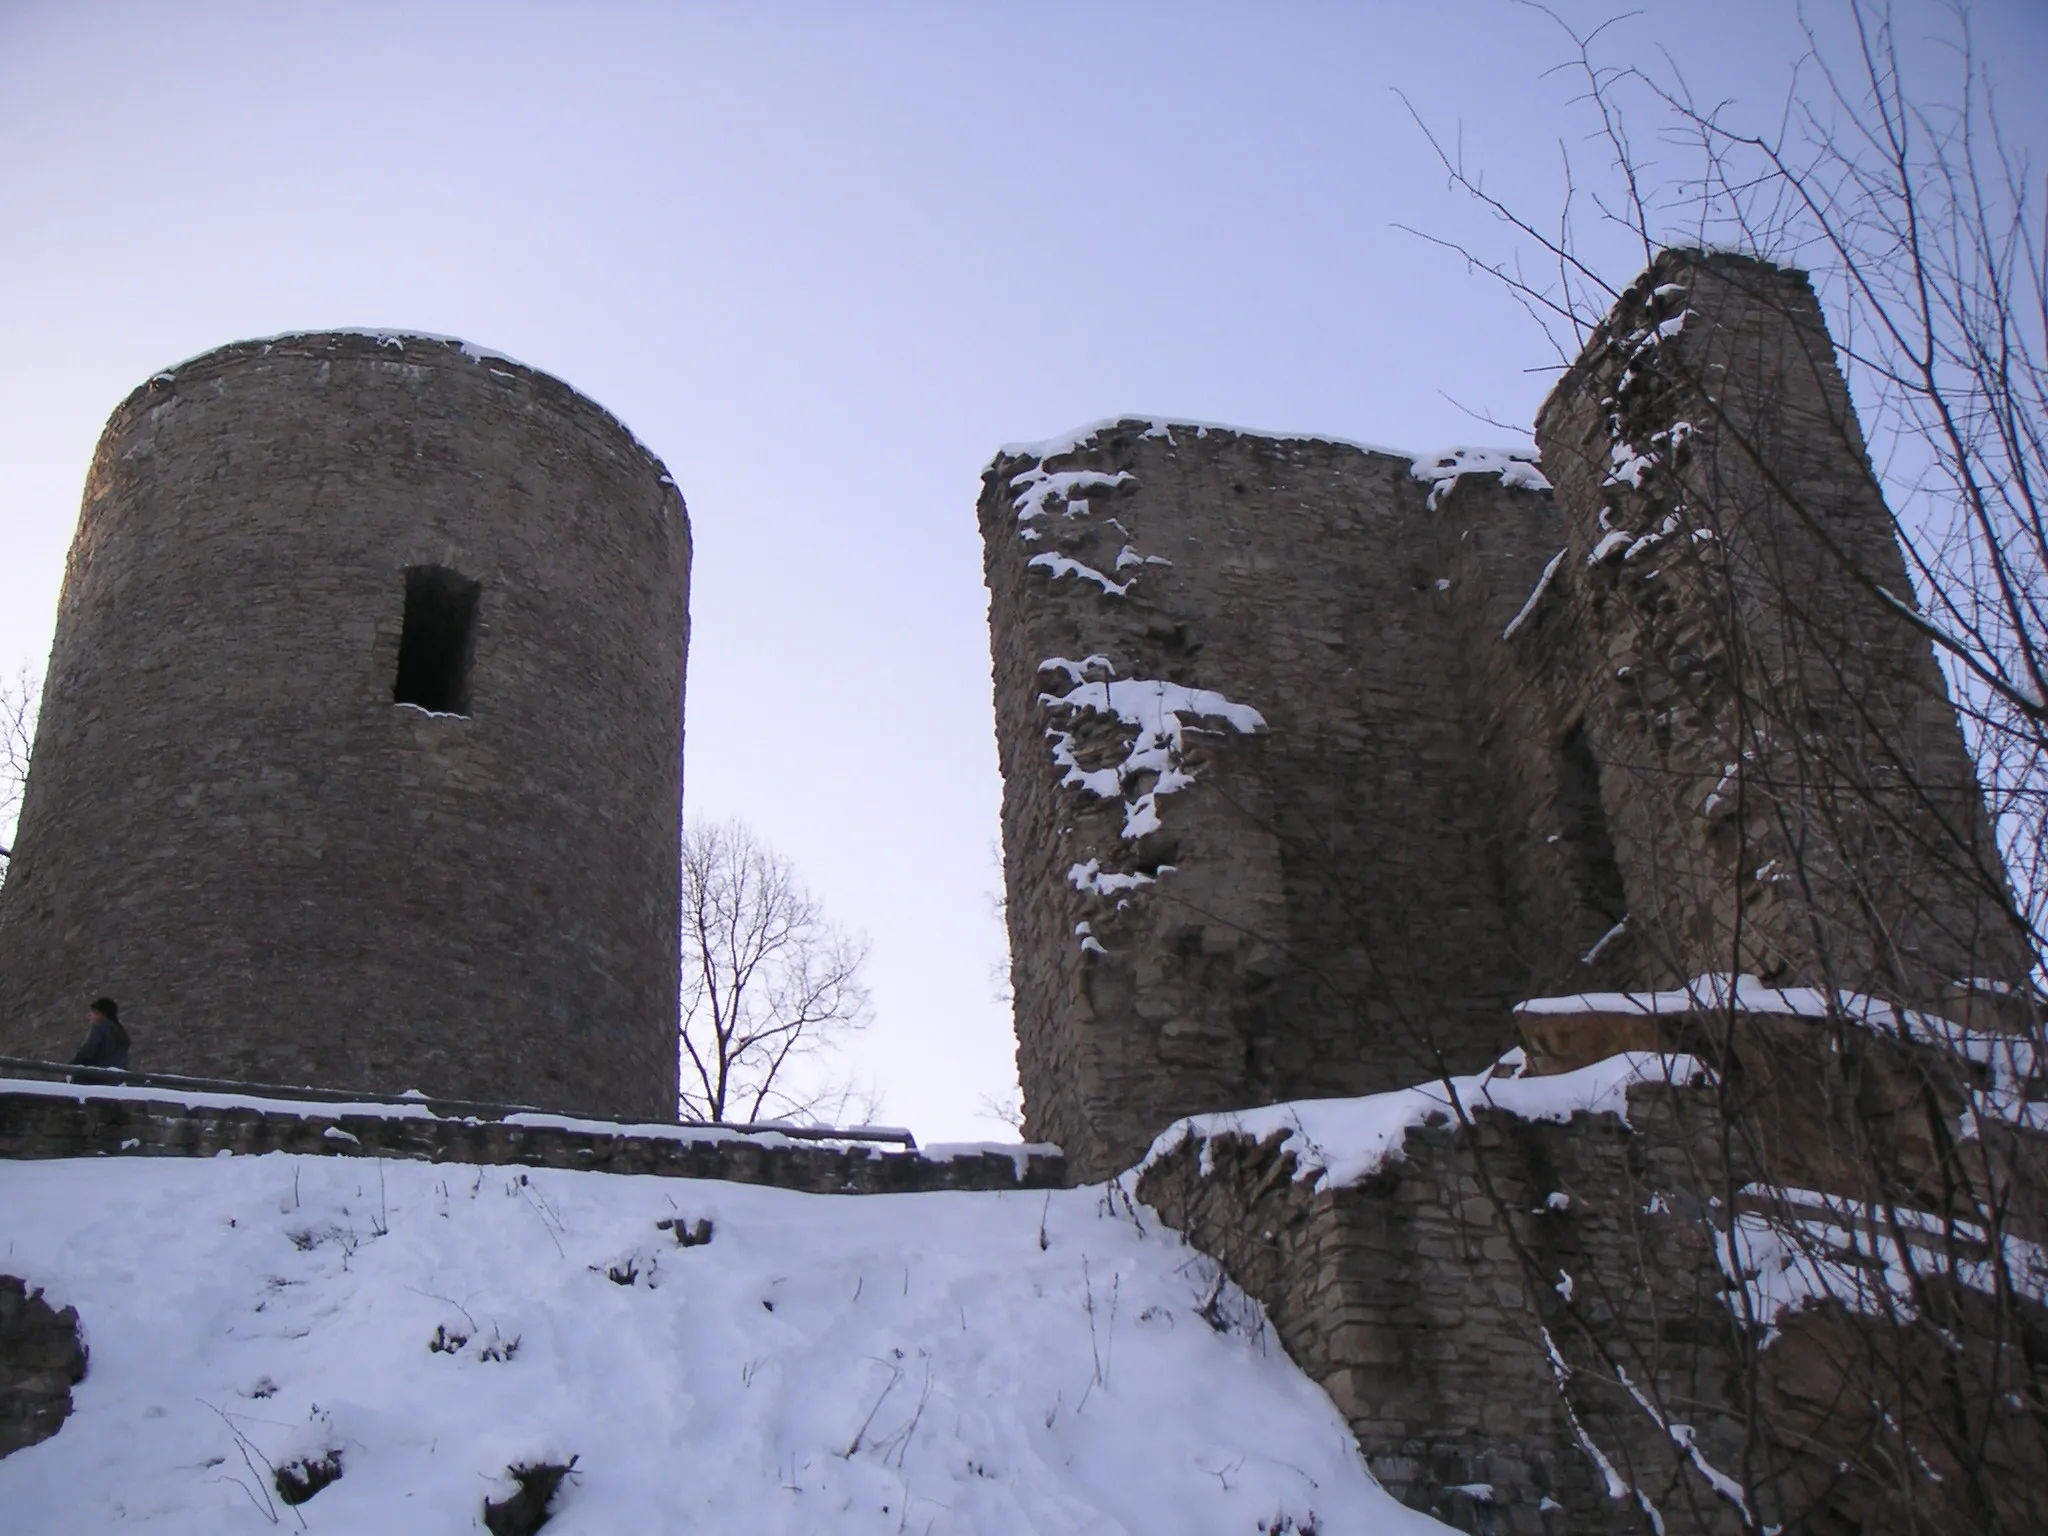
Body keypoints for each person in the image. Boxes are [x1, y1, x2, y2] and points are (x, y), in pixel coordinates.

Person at [70, 997, 130, 1072]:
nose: (90, 1016)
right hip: (118, 1076)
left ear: (103, 1014)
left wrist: (70, 1065)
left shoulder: (100, 1027)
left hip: (98, 1075)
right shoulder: (120, 1031)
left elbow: (87, 1050)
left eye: (94, 1013)